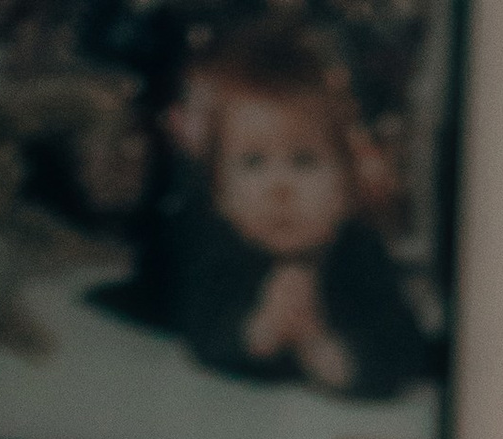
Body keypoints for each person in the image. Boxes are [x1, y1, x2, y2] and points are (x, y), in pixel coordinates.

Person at [168, 23, 428, 401]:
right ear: (221, 193)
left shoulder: (361, 256)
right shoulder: (222, 252)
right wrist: (259, 330)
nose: (280, 188)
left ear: (347, 187)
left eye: (304, 161)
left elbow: (404, 353)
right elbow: (199, 331)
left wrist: (327, 351)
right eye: (253, 162)